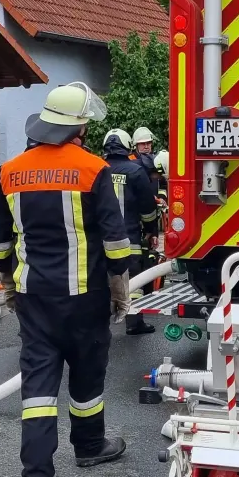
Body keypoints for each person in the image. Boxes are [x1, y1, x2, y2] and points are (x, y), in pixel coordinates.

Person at [0, 83, 132, 477]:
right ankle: (89, 446)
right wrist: (119, 287)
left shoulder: (10, 171)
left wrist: (6, 281)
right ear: (80, 129)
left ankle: (36, 473)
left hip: (33, 295)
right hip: (84, 296)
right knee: (87, 372)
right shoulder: (93, 169)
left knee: (38, 381)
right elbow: (115, 239)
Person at [102, 128, 159, 334]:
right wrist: (152, 231)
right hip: (129, 239)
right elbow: (147, 208)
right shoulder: (135, 172)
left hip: (100, 240)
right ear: (128, 146)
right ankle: (134, 323)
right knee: (133, 282)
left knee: (100, 281)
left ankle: (99, 324)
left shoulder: (97, 169)